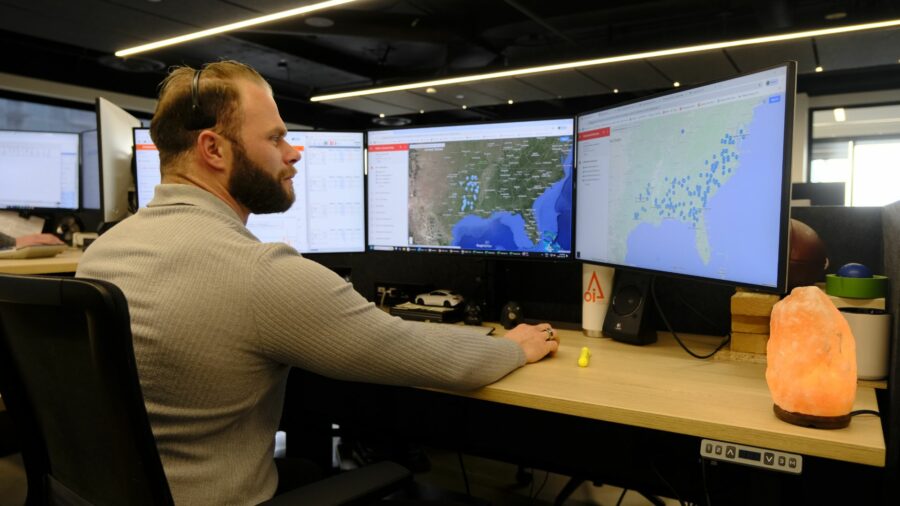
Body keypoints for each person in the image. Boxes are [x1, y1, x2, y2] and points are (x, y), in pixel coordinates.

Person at [75, 61, 559, 505]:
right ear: (213, 149)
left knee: (305, 468)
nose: (295, 151)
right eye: (276, 139)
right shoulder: (260, 273)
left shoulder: (100, 255)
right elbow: (425, 355)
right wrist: (516, 346)